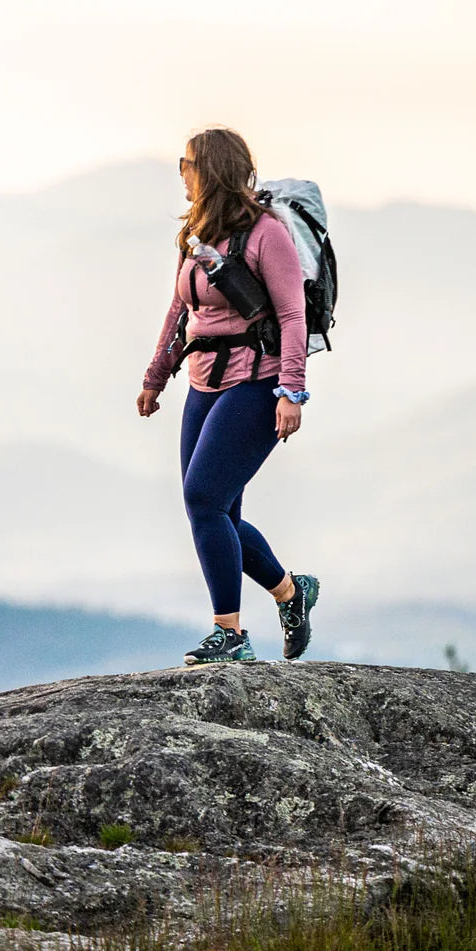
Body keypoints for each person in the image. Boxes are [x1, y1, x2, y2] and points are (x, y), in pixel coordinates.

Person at [136, 127, 319, 664]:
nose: (182, 173)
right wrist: (156, 374)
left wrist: (292, 392)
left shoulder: (267, 234)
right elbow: (180, 310)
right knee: (218, 512)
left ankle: (231, 635)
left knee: (202, 499)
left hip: (256, 383)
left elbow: (292, 316)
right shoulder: (194, 235)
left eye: (187, 163)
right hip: (201, 382)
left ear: (210, 169)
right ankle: (291, 593)